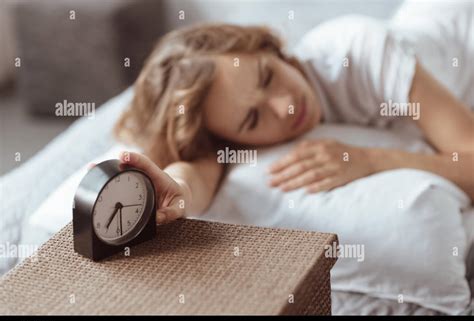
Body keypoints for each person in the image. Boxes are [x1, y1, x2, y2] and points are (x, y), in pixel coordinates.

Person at [112, 3, 474, 225]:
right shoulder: (222, 130)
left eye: (267, 76)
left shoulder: (361, 53)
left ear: (268, 48)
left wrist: (371, 159)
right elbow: (198, 173)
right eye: (252, 120)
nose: (284, 106)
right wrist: (177, 193)